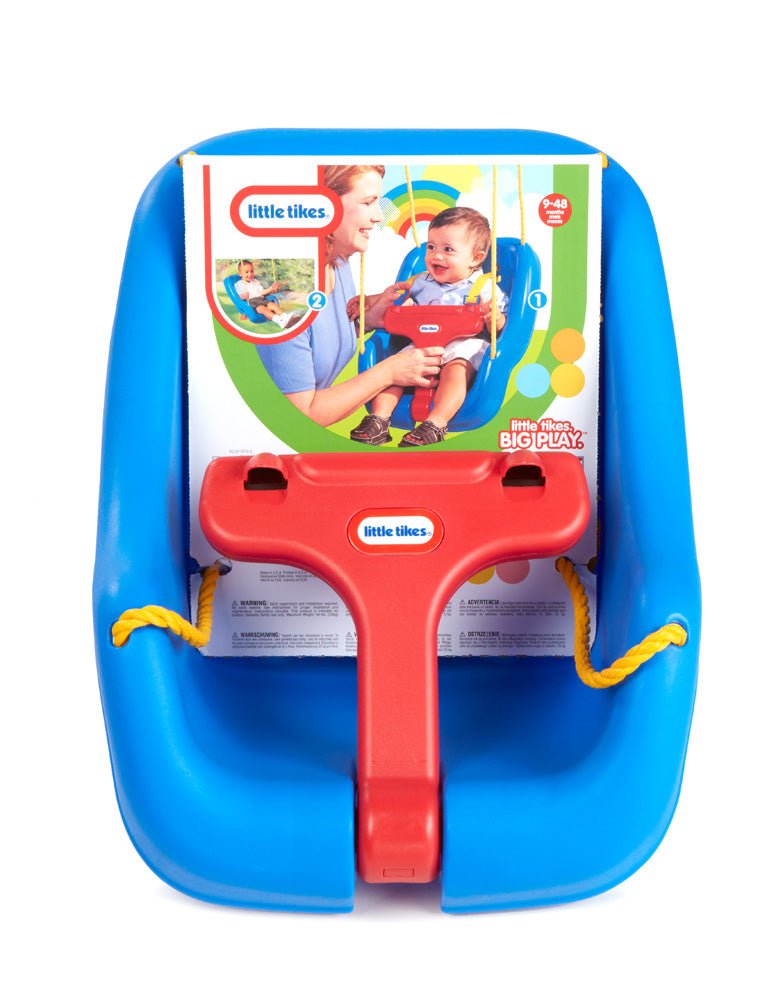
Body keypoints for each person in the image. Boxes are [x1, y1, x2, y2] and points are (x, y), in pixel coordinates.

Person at [257, 165, 444, 428]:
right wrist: (390, 371)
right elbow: (300, 416)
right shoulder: (288, 300)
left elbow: (316, 342)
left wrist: (365, 322)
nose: (379, 216)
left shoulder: (338, 262)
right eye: (368, 202)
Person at [349, 206, 508, 447]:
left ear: (476, 258)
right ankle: (378, 420)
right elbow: (392, 296)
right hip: (422, 345)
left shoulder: (485, 287)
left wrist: (495, 319)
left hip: (463, 347)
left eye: (448, 249)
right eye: (431, 247)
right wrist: (369, 300)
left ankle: (435, 424)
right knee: (396, 370)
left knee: (456, 371)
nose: (436, 256)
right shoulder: (421, 281)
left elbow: (504, 326)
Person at [234, 261, 292, 328]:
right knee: (264, 310)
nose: (250, 274)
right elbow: (239, 297)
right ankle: (279, 321)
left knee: (273, 305)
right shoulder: (239, 284)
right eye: (246, 272)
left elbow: (262, 292)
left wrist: (271, 288)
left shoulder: (256, 281)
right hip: (252, 303)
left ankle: (286, 317)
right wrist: (245, 295)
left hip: (261, 299)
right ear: (240, 273)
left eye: (252, 271)